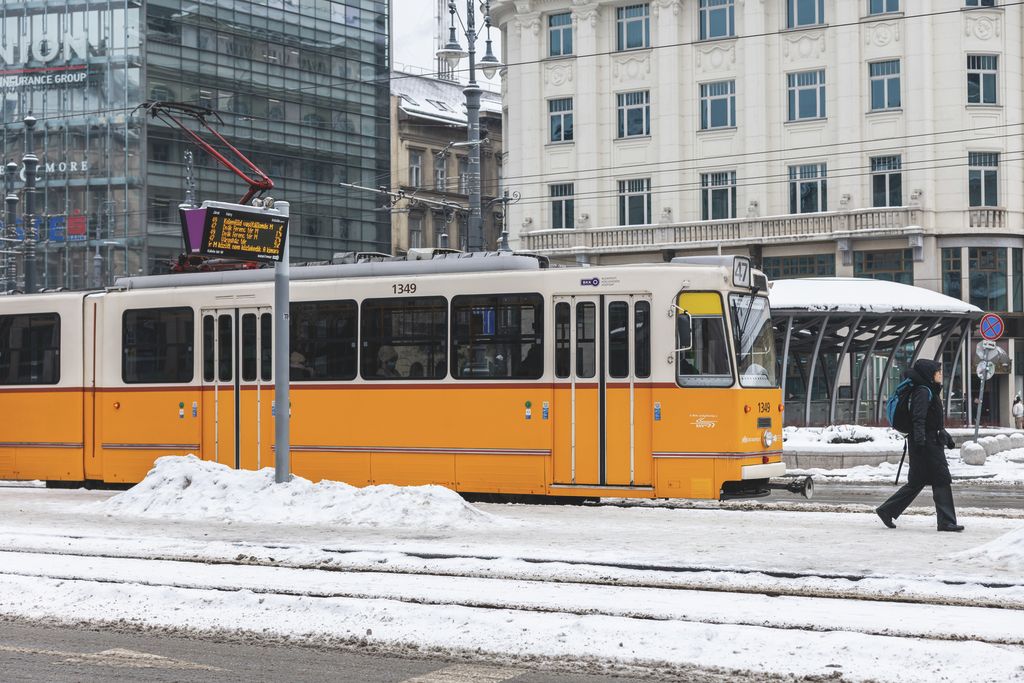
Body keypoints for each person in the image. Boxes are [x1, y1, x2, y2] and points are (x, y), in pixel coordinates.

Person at [876, 359, 963, 532]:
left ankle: (887, 510)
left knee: (916, 482)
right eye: (937, 371)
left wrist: (945, 435)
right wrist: (922, 441)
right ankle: (946, 521)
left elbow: (933, 421)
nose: (940, 374)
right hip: (925, 444)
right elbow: (919, 418)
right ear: (929, 374)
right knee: (941, 479)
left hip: (926, 441)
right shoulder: (923, 391)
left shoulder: (928, 390)